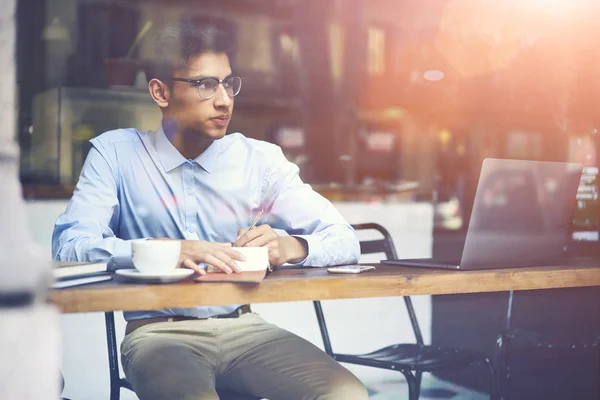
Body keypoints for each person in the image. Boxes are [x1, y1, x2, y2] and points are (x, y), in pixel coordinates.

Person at [52, 21, 367, 400]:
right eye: (205, 84)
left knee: (346, 394)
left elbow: (345, 239)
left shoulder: (259, 160)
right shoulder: (115, 154)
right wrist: (170, 251)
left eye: (228, 83)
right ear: (160, 92)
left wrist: (292, 246)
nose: (224, 100)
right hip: (157, 334)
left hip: (245, 328)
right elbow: (69, 246)